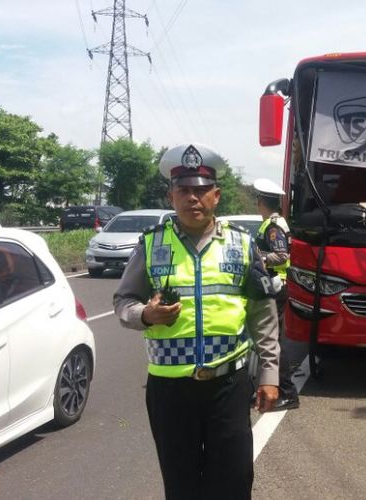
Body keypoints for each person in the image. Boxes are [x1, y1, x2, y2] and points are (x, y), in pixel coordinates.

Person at [113, 143, 280, 500]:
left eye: (202, 191)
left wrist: (269, 376)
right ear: (171, 196)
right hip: (170, 390)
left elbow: (263, 314)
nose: (193, 199)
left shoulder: (242, 244)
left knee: (234, 482)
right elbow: (123, 300)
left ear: (216, 196)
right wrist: (145, 314)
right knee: (182, 485)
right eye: (184, 190)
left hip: (229, 385)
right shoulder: (151, 245)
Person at [253, 177, 300, 411]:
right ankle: (277, 388)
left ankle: (288, 394)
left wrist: (257, 258)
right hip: (274, 285)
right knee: (273, 338)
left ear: (261, 202)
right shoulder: (274, 223)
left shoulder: (272, 226)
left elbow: (281, 255)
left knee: (274, 340)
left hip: (276, 285)